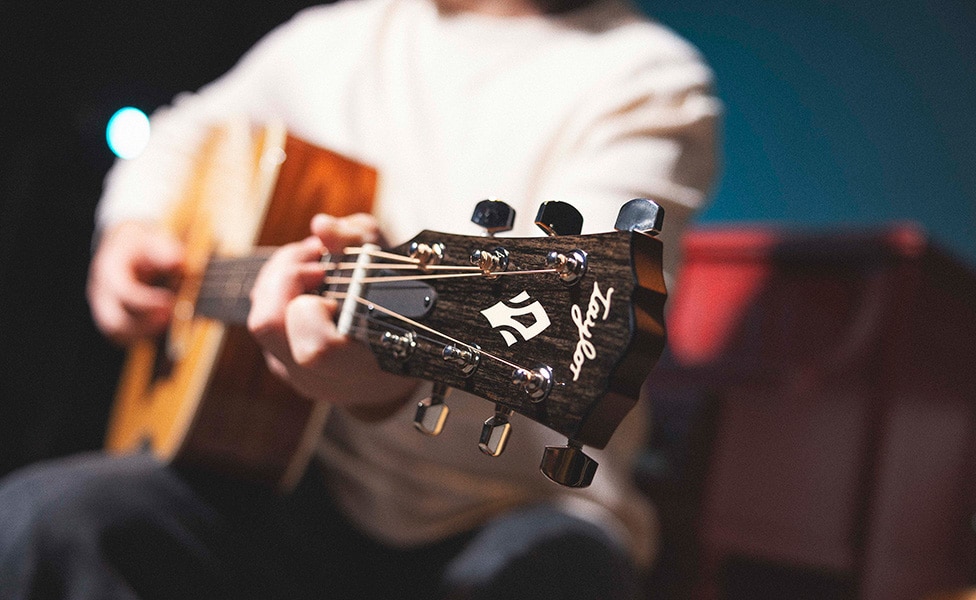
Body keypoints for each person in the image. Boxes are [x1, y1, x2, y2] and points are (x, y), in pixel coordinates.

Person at [0, 0, 720, 597]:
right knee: (47, 521)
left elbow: (566, 337)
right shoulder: (336, 36)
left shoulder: (649, 81)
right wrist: (132, 227)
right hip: (289, 476)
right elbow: (182, 130)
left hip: (510, 508)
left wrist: (381, 378)